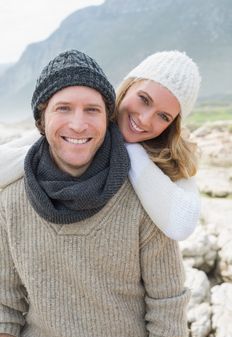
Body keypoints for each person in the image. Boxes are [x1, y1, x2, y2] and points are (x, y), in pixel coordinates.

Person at [0, 50, 189, 337]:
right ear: (41, 118)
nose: (78, 124)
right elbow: (4, 306)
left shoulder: (145, 198)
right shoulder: (10, 199)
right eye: (63, 108)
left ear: (107, 117)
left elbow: (167, 307)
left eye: (92, 110)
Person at [0, 50, 201, 241]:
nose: (145, 120)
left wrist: (130, 151)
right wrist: (50, 149)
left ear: (172, 124)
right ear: (126, 86)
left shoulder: (172, 160)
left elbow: (181, 224)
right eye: (144, 99)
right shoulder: (84, 121)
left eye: (163, 116)